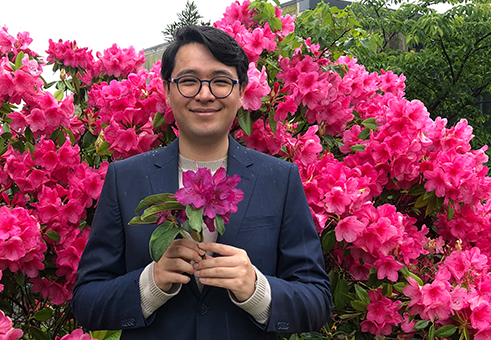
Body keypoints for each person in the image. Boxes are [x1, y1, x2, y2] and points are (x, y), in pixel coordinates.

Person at [72, 26, 332, 340]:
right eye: (189, 81)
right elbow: (86, 302)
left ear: (241, 92)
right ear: (168, 91)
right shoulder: (125, 178)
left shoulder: (280, 179)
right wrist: (150, 283)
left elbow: (317, 302)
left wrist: (257, 289)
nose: (205, 94)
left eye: (221, 81)